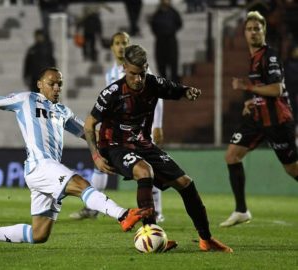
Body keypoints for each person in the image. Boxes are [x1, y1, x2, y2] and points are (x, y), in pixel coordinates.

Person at [0, 67, 153, 249]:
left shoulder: (63, 111)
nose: (56, 88)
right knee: (80, 184)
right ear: (39, 84)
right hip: (40, 165)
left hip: (46, 170)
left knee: (39, 234)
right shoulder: (25, 99)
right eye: (51, 83)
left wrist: (113, 147)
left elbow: (87, 132)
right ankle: (122, 215)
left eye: (59, 84)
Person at [84, 44, 233, 253]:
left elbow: (175, 89)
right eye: (134, 74)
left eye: (142, 73)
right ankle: (150, 236)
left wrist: (188, 92)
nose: (138, 79)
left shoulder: (152, 83)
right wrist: (96, 156)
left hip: (143, 144)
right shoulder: (112, 93)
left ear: (147, 68)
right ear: (125, 68)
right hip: (115, 146)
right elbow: (89, 124)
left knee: (186, 184)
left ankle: (206, 239)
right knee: (144, 171)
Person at [70, 32, 166, 223]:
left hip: (141, 128)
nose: (121, 46)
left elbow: (158, 96)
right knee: (101, 164)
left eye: (125, 43)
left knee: (150, 167)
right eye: (117, 43)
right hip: (118, 130)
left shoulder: (142, 69)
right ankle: (93, 208)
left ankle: (157, 211)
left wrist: (158, 125)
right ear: (112, 47)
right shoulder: (111, 73)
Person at [220, 11, 298, 227]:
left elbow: (276, 89)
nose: (253, 32)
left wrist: (247, 87)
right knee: (232, 155)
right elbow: (265, 91)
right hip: (258, 118)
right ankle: (241, 210)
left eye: (257, 28)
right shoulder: (254, 58)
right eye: (249, 29)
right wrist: (252, 100)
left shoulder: (269, 56)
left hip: (278, 121)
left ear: (264, 31)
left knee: (292, 169)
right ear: (244, 33)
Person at [150, 0, 182, 82]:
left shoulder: (174, 13)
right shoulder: (157, 14)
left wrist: (171, 31)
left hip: (171, 41)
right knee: (161, 66)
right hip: (160, 42)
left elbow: (179, 24)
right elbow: (153, 26)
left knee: (173, 65)